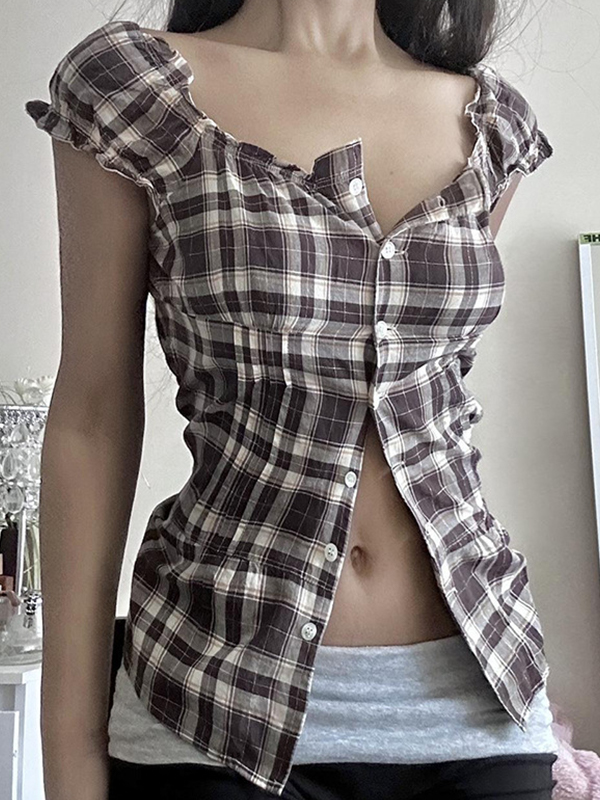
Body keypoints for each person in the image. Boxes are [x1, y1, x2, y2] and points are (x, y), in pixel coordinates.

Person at [24, 1, 558, 798]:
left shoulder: (493, 123)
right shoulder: (131, 89)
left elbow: (433, 406)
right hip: (217, 709)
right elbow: (92, 419)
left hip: (482, 707)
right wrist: (70, 750)